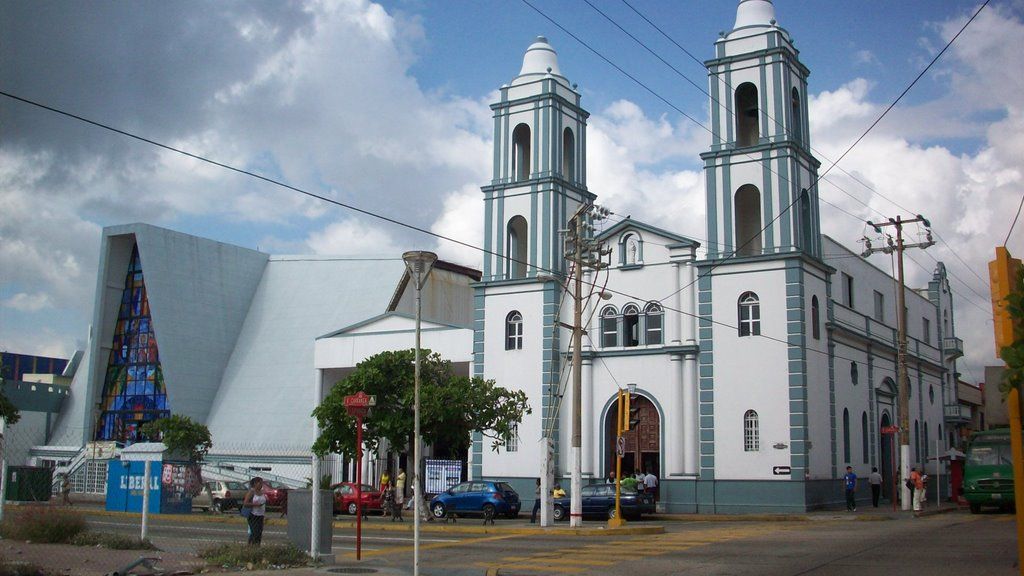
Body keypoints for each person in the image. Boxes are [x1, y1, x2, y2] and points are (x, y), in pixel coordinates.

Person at [242, 477, 267, 546]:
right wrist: (255, 505)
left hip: (261, 515)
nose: (261, 485)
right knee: (254, 532)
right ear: (255, 483)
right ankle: (251, 546)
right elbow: (245, 503)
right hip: (253, 515)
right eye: (260, 483)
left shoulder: (262, 492)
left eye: (262, 483)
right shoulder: (251, 492)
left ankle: (256, 547)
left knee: (259, 533)